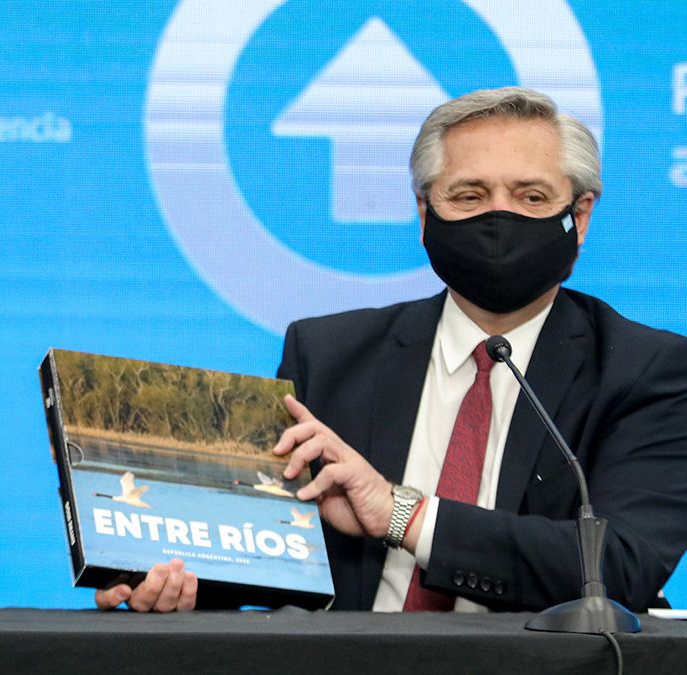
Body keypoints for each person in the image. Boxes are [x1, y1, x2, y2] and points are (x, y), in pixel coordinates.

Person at [98, 86, 687, 613]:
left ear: (579, 216)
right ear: (424, 212)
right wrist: (187, 581)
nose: (498, 219)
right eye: (469, 195)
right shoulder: (328, 354)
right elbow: (283, 556)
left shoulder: (645, 370)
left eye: (531, 198)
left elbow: (619, 568)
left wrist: (403, 515)